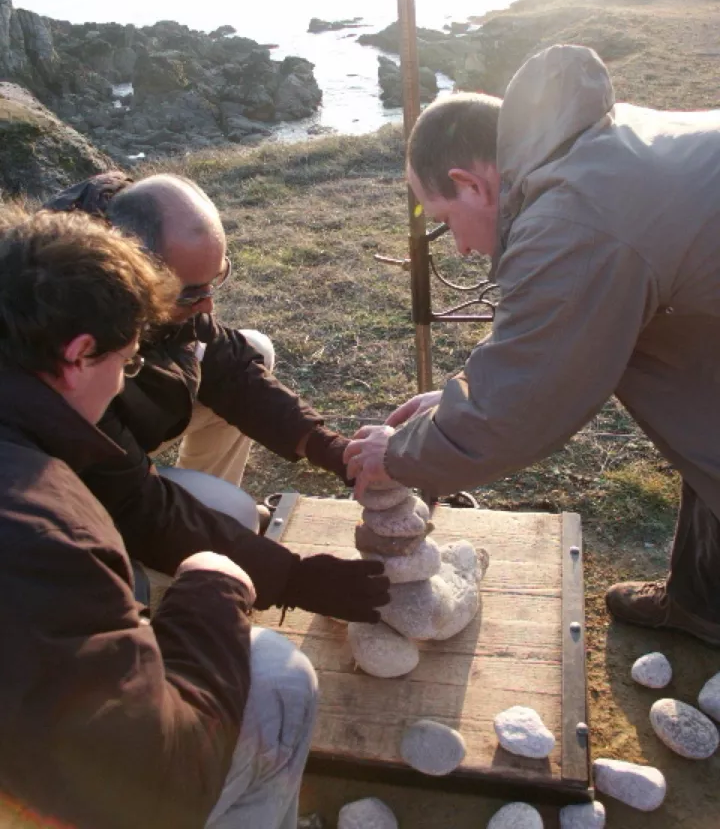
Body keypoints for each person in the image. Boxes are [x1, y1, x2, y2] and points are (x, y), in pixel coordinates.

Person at [345, 43, 720, 648]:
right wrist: (450, 402)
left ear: (470, 184)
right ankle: (705, 602)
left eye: (443, 222)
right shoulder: (589, 152)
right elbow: (548, 332)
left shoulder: (575, 216)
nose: (461, 249)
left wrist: (400, 454)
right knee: (705, 412)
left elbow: (520, 406)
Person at [0, 205, 338, 829]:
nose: (128, 374)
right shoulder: (46, 529)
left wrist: (325, 445)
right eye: (127, 363)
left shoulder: (40, 316)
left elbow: (232, 363)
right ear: (78, 354)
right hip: (63, 787)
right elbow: (153, 780)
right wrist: (212, 590)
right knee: (276, 674)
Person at [47, 170, 351, 535]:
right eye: (190, 293)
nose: (207, 306)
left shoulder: (143, 254)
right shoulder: (65, 334)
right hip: (66, 470)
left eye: (216, 279)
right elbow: (128, 493)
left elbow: (231, 370)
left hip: (126, 428)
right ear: (131, 276)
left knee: (255, 349)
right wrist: (283, 571)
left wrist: (332, 450)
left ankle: (203, 501)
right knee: (231, 516)